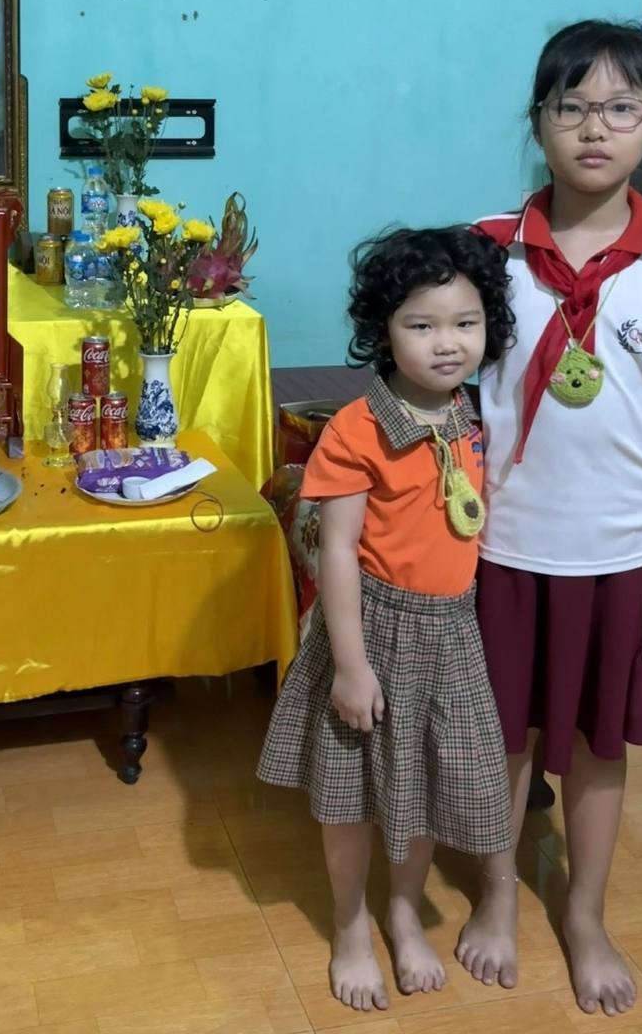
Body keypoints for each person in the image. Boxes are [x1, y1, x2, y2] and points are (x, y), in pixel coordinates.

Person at [467, 20, 642, 1017]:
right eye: (571, 106)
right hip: (499, 548)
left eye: (621, 108)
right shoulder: (484, 249)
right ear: (537, 121)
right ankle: (498, 895)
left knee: (600, 742)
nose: (594, 129)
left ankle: (584, 914)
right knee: (501, 737)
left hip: (621, 553)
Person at [258, 226, 518, 1012]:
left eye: (466, 323)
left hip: (452, 632)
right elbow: (336, 552)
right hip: (371, 631)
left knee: (425, 784)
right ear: (383, 329)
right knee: (351, 794)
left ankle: (404, 911)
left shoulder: (470, 413)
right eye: (422, 325)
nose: (447, 343)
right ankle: (349, 927)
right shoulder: (358, 429)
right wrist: (351, 665)